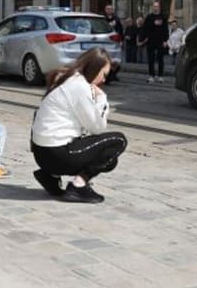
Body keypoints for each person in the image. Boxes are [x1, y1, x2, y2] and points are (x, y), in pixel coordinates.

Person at [30, 47, 128, 203]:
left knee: (109, 159)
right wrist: (101, 98)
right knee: (118, 141)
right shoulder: (79, 86)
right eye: (104, 75)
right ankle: (78, 185)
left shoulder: (66, 78)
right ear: (94, 69)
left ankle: (50, 176)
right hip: (57, 154)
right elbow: (97, 127)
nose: (103, 80)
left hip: (41, 154)